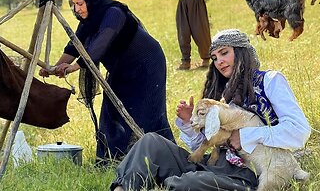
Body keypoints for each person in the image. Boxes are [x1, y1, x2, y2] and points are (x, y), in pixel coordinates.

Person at [111, 29, 310, 191]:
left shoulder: (270, 81)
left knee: (190, 182)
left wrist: (246, 135)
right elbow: (204, 144)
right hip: (213, 164)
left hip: (248, 173)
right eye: (214, 58)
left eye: (224, 53)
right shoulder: (221, 94)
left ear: (241, 51)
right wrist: (190, 124)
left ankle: (178, 182)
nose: (219, 61)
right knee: (150, 141)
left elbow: (299, 131)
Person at [39, 0, 175, 163]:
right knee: (112, 110)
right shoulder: (87, 22)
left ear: (92, 0)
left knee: (145, 110)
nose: (76, 9)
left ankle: (152, 158)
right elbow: (74, 47)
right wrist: (55, 68)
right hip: (121, 68)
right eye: (73, 4)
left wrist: (74, 67)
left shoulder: (113, 13)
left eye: (80, 3)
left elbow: (101, 43)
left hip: (147, 65)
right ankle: (112, 159)